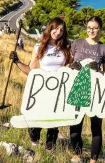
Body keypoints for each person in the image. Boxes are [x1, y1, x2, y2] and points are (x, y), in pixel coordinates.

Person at [9, 17, 72, 152]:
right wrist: (17, 61)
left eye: (61, 30)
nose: (58, 32)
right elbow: (31, 71)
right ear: (50, 28)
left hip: (58, 90)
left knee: (54, 121)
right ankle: (34, 141)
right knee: (35, 119)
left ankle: (50, 149)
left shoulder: (66, 48)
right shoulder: (39, 47)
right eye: (56, 28)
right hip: (41, 88)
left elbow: (70, 67)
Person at [67, 16, 105, 163]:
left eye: (95, 28)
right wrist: (73, 66)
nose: (92, 30)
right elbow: (68, 64)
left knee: (96, 128)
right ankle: (78, 155)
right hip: (77, 90)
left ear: (100, 29)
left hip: (96, 94)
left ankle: (93, 160)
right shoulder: (77, 43)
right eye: (89, 27)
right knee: (75, 126)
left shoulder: (104, 49)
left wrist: (98, 70)